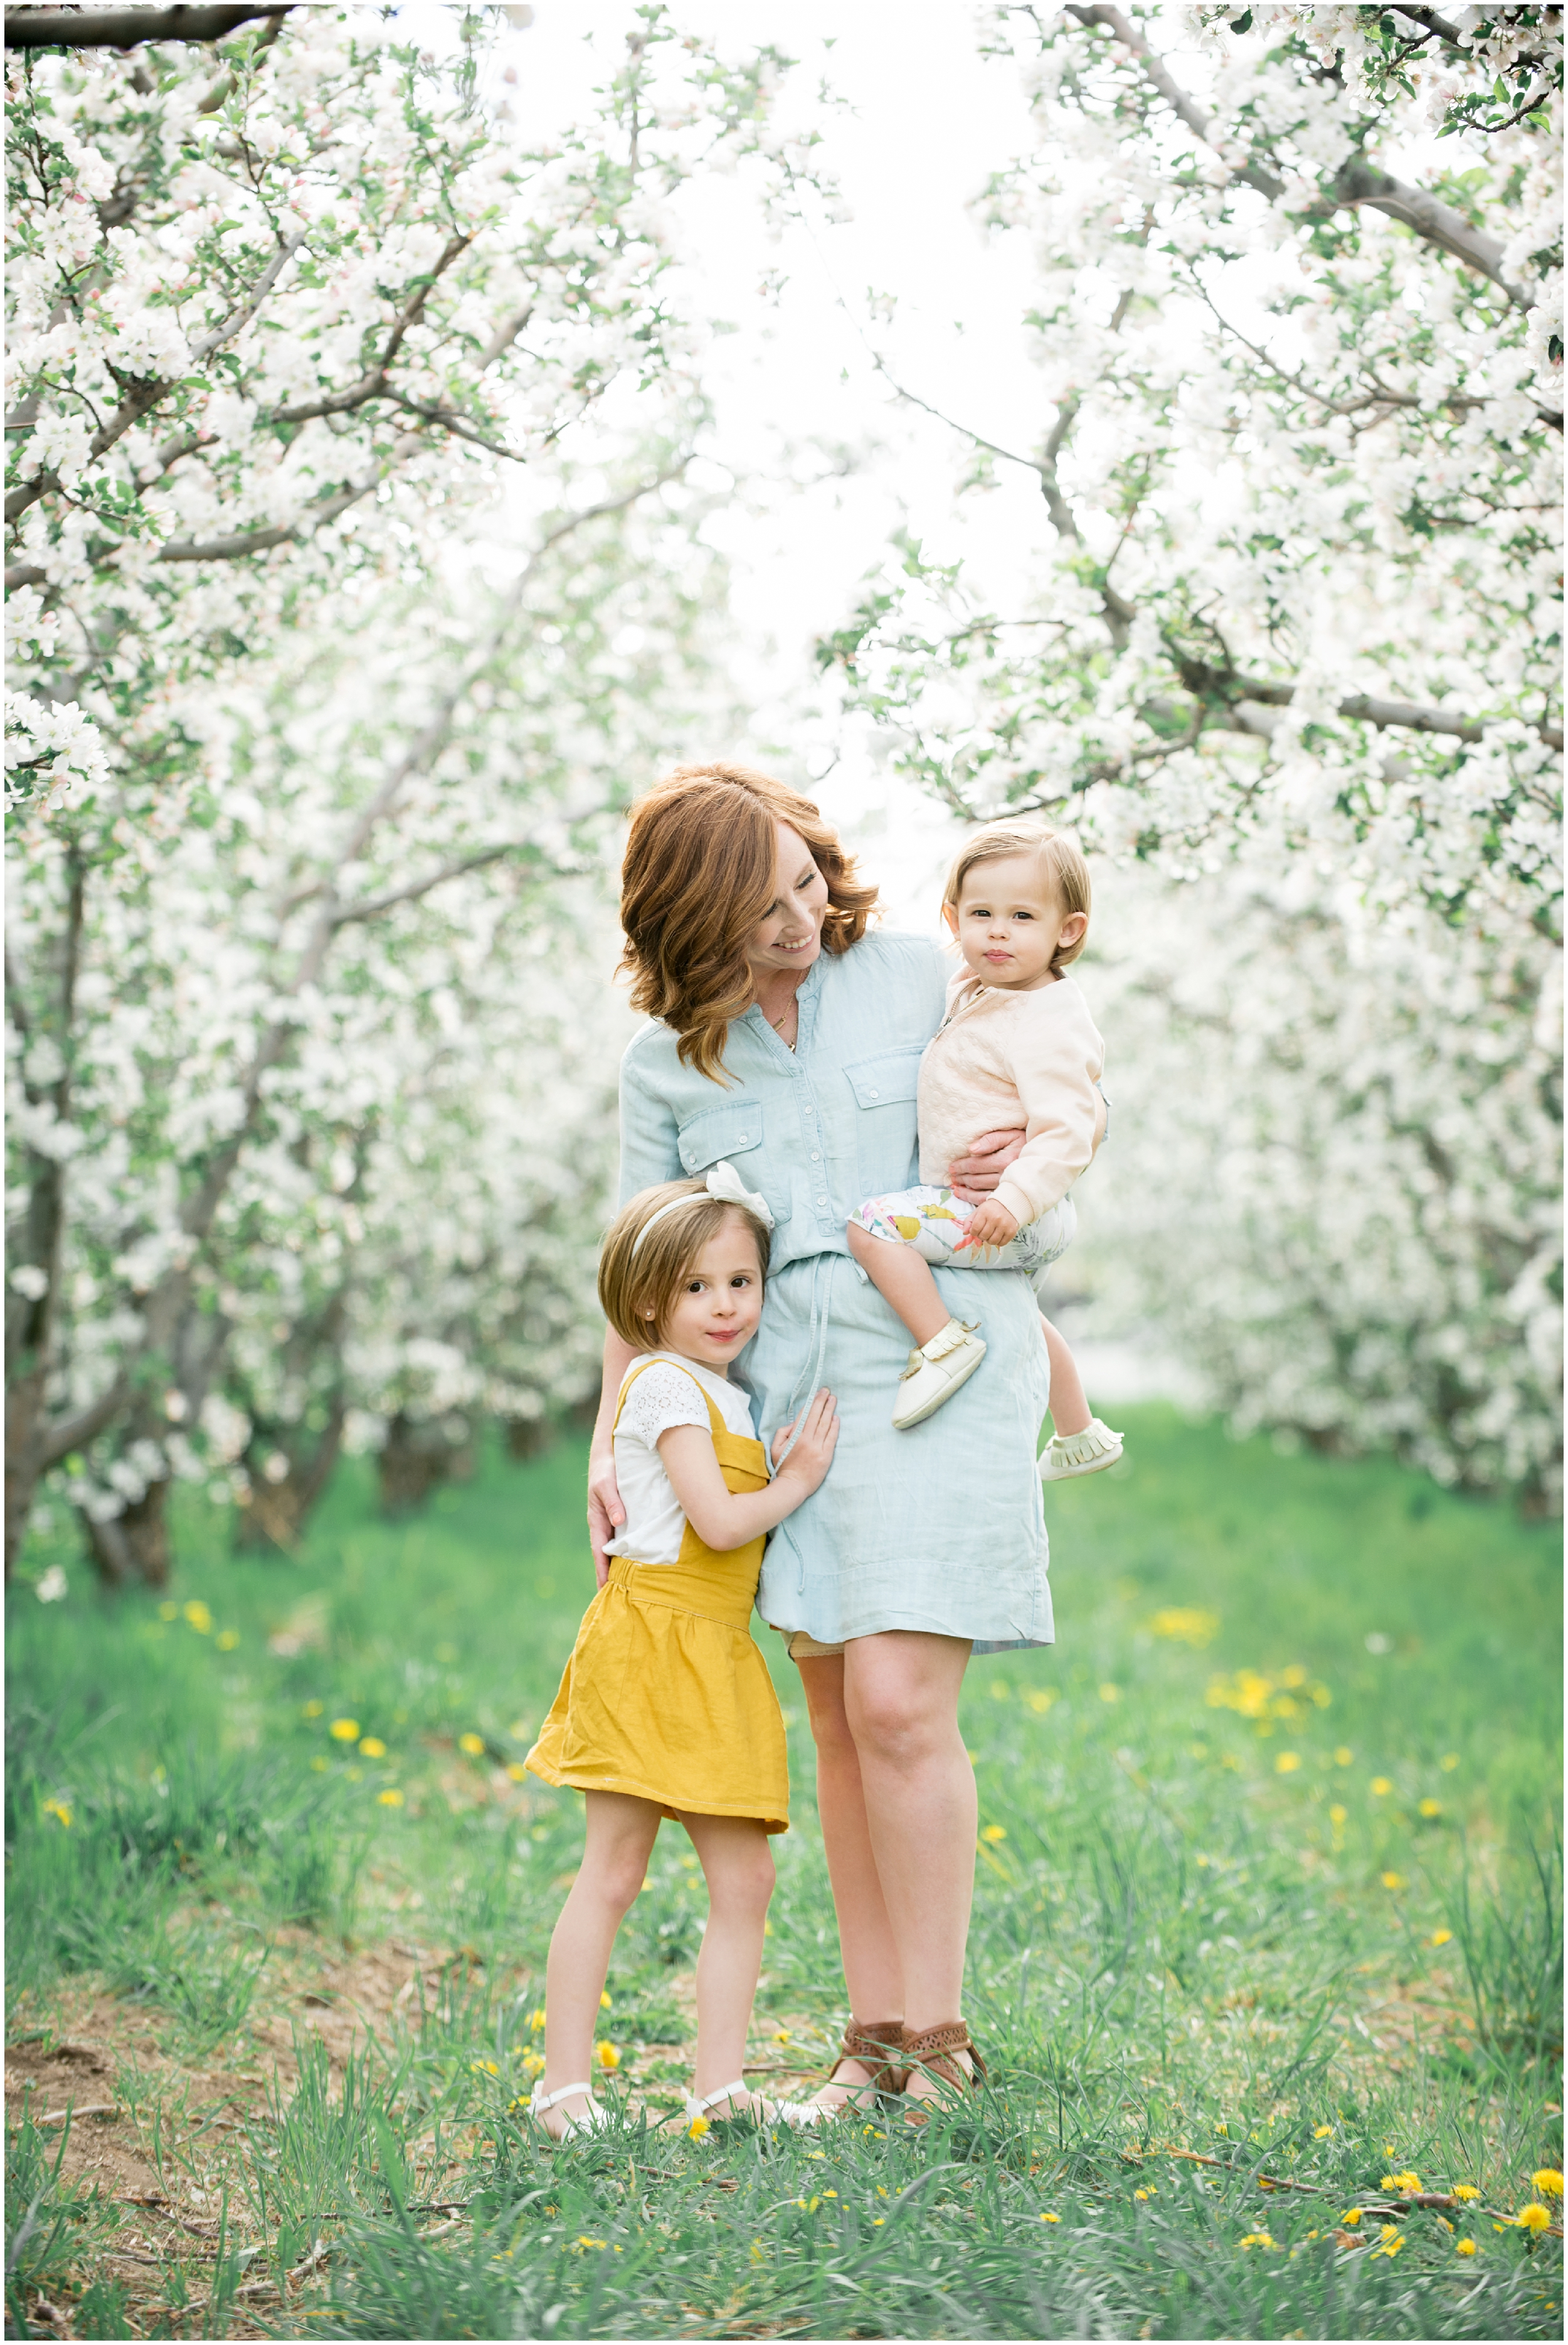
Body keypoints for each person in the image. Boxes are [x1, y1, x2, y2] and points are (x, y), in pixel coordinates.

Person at [591, 761, 1058, 2115]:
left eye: (803, 883)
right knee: (843, 1721)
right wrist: (611, 1444)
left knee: (905, 1704)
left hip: (940, 1351)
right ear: (689, 927)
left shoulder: (925, 978)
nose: (796, 922)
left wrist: (1005, 1199)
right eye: (758, 910)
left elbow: (1053, 1138)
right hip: (786, 1404)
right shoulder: (667, 1062)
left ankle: (942, 2037)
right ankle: (873, 2044)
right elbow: (640, 1275)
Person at [525, 1168, 839, 2139]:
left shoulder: (727, 1394)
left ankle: (719, 2086)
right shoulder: (660, 1381)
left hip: (715, 1649)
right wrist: (800, 1479)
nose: (725, 1305)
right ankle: (563, 2088)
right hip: (653, 1637)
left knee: (746, 1881)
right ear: (650, 1299)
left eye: (741, 1282)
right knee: (613, 1870)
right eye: (699, 1287)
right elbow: (714, 1517)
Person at [845, 815, 1124, 1478]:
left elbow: (1068, 1126)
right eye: (981, 913)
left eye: (1022, 916)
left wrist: (1017, 1196)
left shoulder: (1046, 1017)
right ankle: (1079, 1430)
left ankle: (941, 1344)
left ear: (1068, 931)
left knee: (873, 1227)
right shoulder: (981, 988)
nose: (997, 931)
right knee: (1023, 1316)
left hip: (1013, 1208)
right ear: (953, 919)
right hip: (1008, 1208)